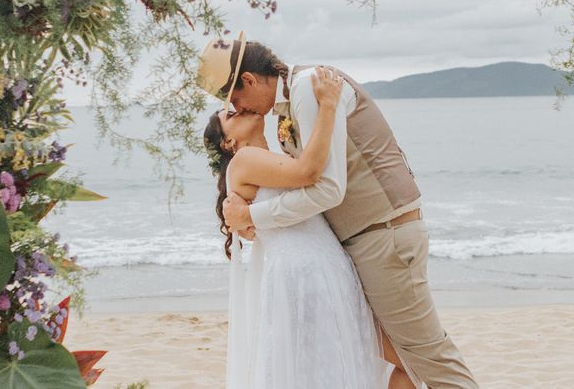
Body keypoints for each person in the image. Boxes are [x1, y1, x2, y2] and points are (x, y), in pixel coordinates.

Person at [196, 34, 479, 389]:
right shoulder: (283, 120)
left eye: (237, 99)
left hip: (383, 234)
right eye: (233, 109)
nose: (244, 109)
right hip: (354, 247)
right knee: (403, 359)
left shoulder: (306, 88)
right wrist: (254, 222)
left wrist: (253, 218)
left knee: (425, 356)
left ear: (249, 80)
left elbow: (327, 187)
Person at [205, 66, 390, 388]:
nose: (240, 109)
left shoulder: (274, 155)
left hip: (321, 265)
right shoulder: (245, 160)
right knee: (323, 367)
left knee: (321, 366)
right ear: (229, 142)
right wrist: (329, 107)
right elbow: (309, 173)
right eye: (231, 116)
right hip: (304, 273)